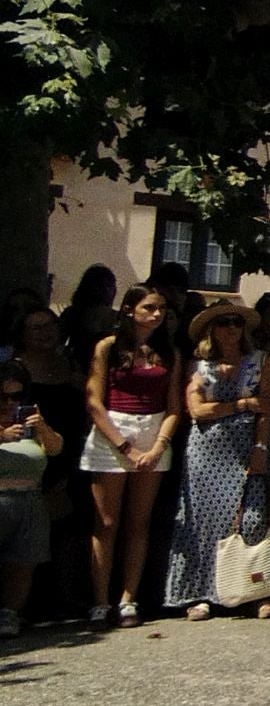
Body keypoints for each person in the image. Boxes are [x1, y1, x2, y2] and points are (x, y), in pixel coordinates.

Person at [164, 302, 270, 619]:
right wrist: (242, 404)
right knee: (206, 521)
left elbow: (267, 406)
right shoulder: (197, 366)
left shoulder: (259, 361)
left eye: (237, 322)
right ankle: (202, 593)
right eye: (224, 322)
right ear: (211, 329)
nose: (232, 328)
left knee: (252, 519)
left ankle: (256, 592)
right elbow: (197, 411)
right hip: (206, 453)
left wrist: (261, 448)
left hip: (247, 446)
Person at [80, 286, 182, 628]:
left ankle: (128, 599)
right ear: (129, 309)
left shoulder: (168, 351)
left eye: (161, 309)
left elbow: (173, 406)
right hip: (114, 430)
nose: (156, 314)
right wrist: (125, 446)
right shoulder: (108, 347)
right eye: (149, 307)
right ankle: (99, 600)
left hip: (153, 431)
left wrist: (157, 447)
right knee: (106, 522)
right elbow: (94, 401)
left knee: (139, 523)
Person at [9, 305, 87, 620]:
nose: (45, 332)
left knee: (65, 530)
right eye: (36, 327)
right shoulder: (14, 370)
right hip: (26, 459)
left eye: (50, 325)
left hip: (66, 454)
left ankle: (62, 597)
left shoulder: (68, 365)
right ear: (22, 334)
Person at [0, 360, 64, 638]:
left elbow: (55, 449)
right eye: (3, 396)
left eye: (16, 396)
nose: (9, 402)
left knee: (23, 561)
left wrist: (43, 428)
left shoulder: (27, 421)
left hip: (29, 499)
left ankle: (10, 613)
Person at [60, 264, 118, 372]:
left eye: (110, 286)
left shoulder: (118, 317)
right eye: (101, 286)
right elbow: (58, 343)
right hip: (77, 369)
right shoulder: (72, 313)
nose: (106, 291)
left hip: (108, 369)